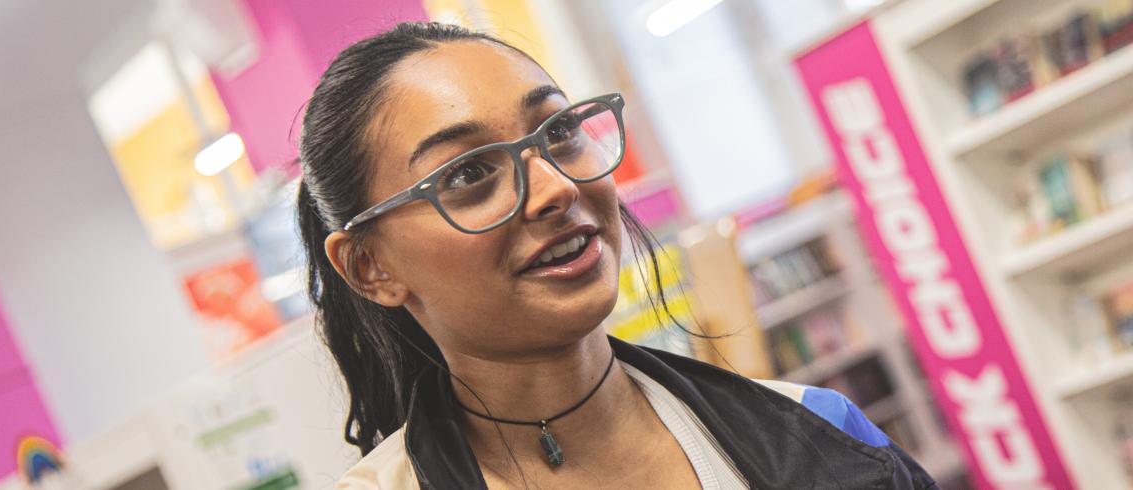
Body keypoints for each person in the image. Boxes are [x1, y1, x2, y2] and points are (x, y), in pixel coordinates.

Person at [296, 21, 937, 489]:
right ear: (369, 267)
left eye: (561, 132)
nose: (556, 186)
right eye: (467, 176)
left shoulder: (823, 436)